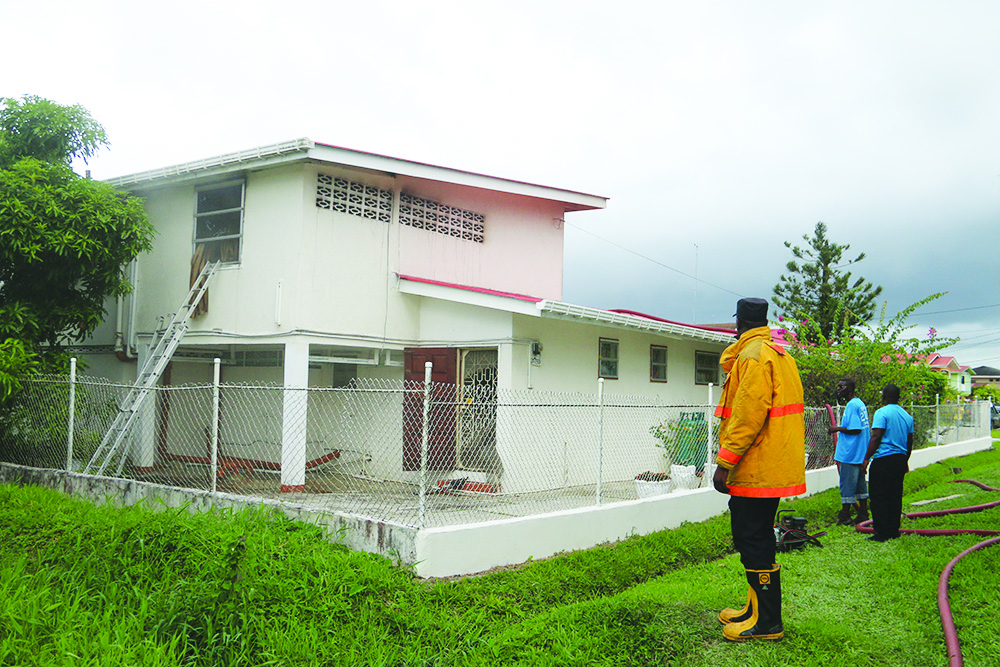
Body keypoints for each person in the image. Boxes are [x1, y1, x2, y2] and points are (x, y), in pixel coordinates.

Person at [712, 297, 806, 642]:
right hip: (772, 465)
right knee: (759, 537)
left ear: (738, 322)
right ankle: (755, 610)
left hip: (756, 466)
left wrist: (725, 463)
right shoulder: (779, 354)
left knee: (752, 540)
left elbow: (747, 417)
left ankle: (767, 622)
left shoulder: (752, 357)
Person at [863, 384, 914, 542]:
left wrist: (866, 458)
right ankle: (893, 530)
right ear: (899, 397)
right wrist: (905, 460)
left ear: (884, 396)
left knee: (879, 495)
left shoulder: (882, 412)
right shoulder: (907, 416)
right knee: (895, 495)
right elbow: (909, 442)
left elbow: (876, 436)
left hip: (883, 458)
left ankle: (881, 532)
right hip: (899, 458)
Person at [828, 378, 871, 526]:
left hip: (851, 453)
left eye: (842, 387)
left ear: (850, 389)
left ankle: (845, 515)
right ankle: (863, 513)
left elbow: (855, 428)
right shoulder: (859, 403)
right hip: (859, 453)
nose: (838, 389)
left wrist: (836, 429)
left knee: (847, 485)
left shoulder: (852, 405)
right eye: (838, 386)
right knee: (860, 485)